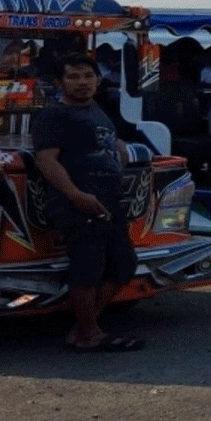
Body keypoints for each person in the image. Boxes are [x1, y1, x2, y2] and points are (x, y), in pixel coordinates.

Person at [32, 53, 142, 351]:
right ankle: (89, 334)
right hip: (78, 202)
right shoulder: (54, 115)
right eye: (73, 77)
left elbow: (110, 142)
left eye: (87, 76)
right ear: (59, 83)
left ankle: (83, 328)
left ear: (98, 79)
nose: (82, 83)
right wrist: (76, 195)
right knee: (87, 269)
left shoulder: (97, 110)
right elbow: (46, 160)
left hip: (108, 199)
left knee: (124, 265)